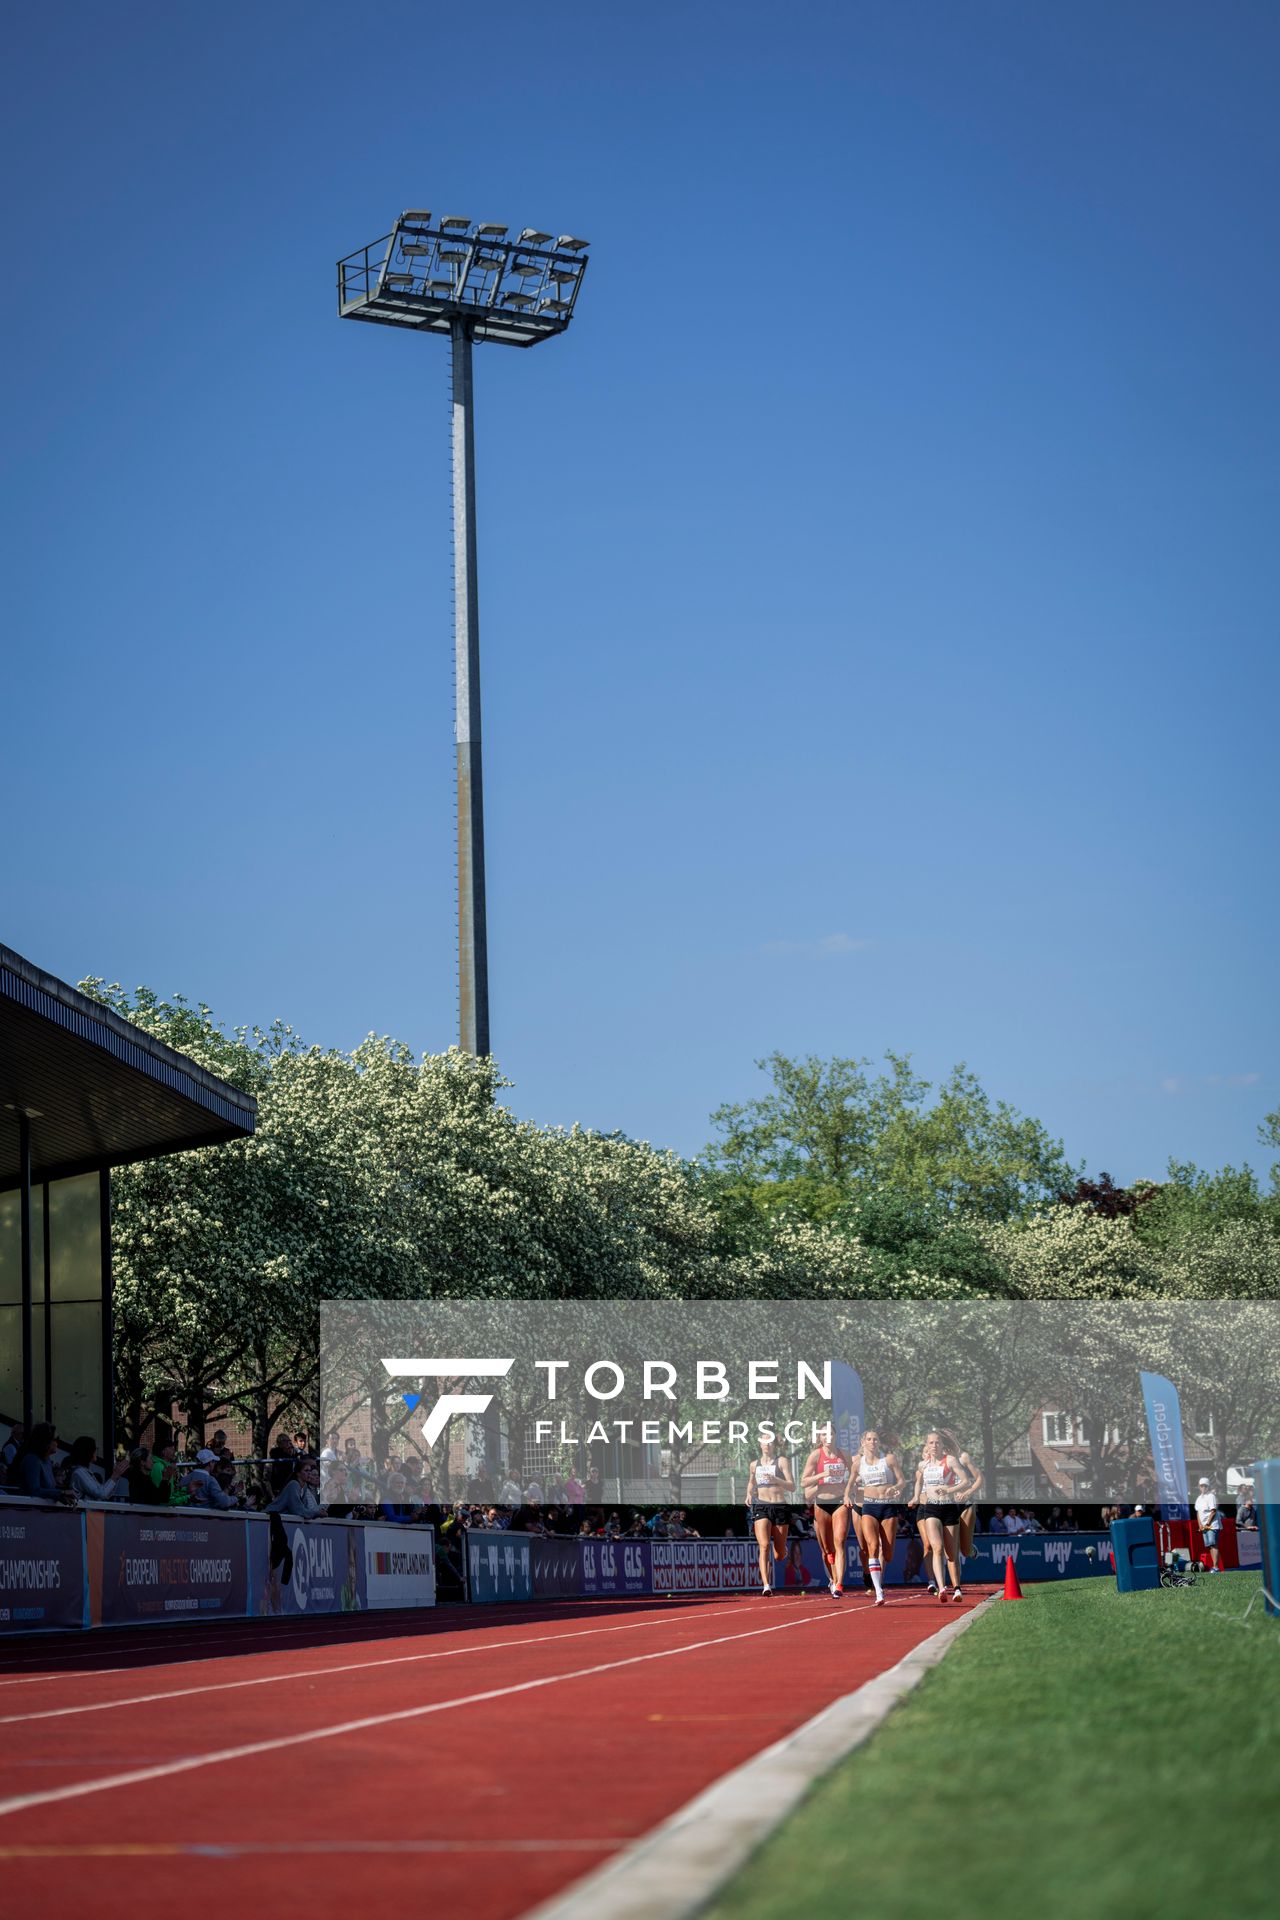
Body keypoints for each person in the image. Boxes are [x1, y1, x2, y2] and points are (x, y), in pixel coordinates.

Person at [909, 1431, 975, 1603]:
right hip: (931, 1509)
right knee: (936, 1548)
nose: (934, 1446)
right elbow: (919, 1482)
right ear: (927, 1445)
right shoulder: (923, 1465)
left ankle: (957, 1588)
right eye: (931, 1443)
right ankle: (941, 1587)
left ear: (941, 1444)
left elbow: (965, 1481)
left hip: (949, 1508)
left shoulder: (950, 1460)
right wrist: (916, 1497)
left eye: (937, 1442)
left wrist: (949, 1490)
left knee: (951, 1554)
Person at [850, 1428, 906, 1608]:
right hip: (869, 1506)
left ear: (878, 1443)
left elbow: (902, 1481)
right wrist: (847, 1495)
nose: (873, 1442)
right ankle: (879, 1591)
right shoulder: (858, 1463)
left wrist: (896, 1489)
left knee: (887, 1554)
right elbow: (849, 1484)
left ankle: (878, 1584)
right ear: (863, 1442)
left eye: (875, 1439)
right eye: (869, 1439)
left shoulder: (888, 1459)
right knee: (872, 1547)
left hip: (888, 1506)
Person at [801, 1429, 853, 1599]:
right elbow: (804, 1481)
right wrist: (823, 1475)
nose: (828, 1437)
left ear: (836, 1436)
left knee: (839, 1542)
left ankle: (839, 1584)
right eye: (824, 1434)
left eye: (831, 1433)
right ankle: (832, 1578)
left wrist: (848, 1491)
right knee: (827, 1550)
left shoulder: (844, 1454)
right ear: (820, 1438)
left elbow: (854, 1475)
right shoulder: (816, 1455)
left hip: (840, 1502)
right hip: (821, 1503)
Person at [746, 1435, 793, 1596]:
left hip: (779, 1506)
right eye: (764, 1442)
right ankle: (766, 1585)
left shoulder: (781, 1462)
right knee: (764, 1545)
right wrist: (748, 1494)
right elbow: (751, 1482)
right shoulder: (754, 1465)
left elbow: (792, 1486)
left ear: (774, 1445)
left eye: (770, 1442)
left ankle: (782, 1549)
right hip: (762, 1506)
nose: (767, 1445)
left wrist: (776, 1479)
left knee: (778, 1555)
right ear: (760, 1444)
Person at [65, 1435, 128, 1502]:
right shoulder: (79, 1472)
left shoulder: (83, 1471)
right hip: (84, 1512)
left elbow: (106, 1494)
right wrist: (115, 1475)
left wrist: (116, 1476)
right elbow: (101, 1494)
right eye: (95, 1448)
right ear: (88, 1451)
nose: (96, 1451)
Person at [16, 1423, 59, 1499]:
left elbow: (51, 1489)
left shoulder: (47, 1461)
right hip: (29, 1509)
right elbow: (35, 1490)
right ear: (46, 1440)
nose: (57, 1443)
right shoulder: (32, 1459)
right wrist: (61, 1493)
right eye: (55, 1439)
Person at [1195, 1477, 1223, 1571]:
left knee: (1213, 1544)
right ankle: (1214, 1567)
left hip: (1212, 1525)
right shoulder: (1199, 1498)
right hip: (1204, 1526)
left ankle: (1215, 1567)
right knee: (1210, 1546)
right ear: (1199, 1487)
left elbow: (1213, 1511)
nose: (1203, 1487)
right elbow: (1198, 1512)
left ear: (1208, 1486)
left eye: (1205, 1486)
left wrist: (1207, 1523)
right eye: (1201, 1486)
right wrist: (1200, 1525)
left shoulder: (1211, 1496)